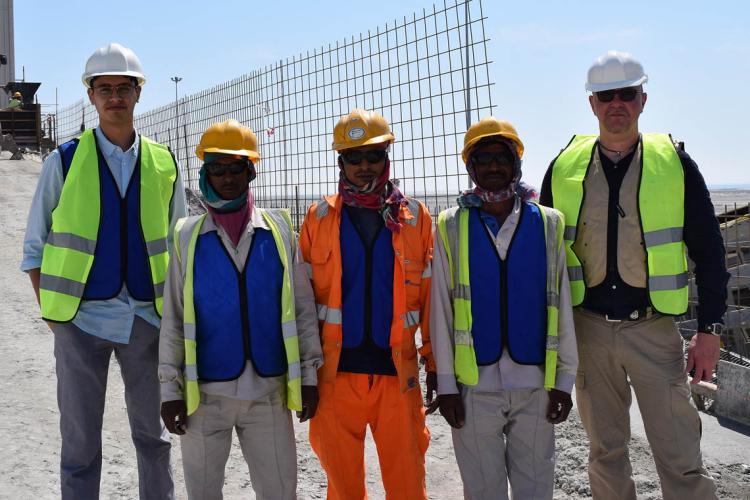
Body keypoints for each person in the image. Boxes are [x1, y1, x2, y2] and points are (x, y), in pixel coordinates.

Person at [540, 50, 728, 500]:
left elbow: (709, 249)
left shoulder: (675, 163)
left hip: (653, 329)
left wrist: (710, 331)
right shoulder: (565, 165)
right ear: (592, 104)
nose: (616, 104)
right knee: (605, 453)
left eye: (627, 93)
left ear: (643, 99)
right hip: (589, 332)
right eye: (606, 95)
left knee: (680, 455)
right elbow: (543, 255)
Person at [21, 42, 185, 499]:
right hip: (79, 322)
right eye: (105, 88)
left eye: (124, 88)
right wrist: (54, 314)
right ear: (91, 96)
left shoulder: (164, 163)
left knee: (153, 438)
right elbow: (34, 246)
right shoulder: (65, 160)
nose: (115, 97)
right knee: (80, 446)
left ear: (138, 94)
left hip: (144, 321)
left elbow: (177, 244)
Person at [159, 119, 323, 499]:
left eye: (237, 168)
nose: (228, 177)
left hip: (268, 394)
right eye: (218, 168)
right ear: (205, 172)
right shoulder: (186, 235)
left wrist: (310, 377)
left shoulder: (280, 229)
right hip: (205, 398)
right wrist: (170, 390)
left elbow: (301, 308)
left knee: (280, 492)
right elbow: (174, 317)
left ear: (251, 171)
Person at [429, 117, 578, 500]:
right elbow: (441, 312)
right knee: (482, 490)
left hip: (535, 385)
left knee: (535, 487)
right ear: (470, 167)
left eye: (502, 158)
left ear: (516, 165)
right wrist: (446, 385)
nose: (493, 166)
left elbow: (559, 302)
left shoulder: (548, 224)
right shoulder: (450, 225)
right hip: (473, 387)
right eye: (483, 159)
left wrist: (563, 382)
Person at [300, 109, 434, 499]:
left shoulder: (415, 219)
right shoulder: (319, 218)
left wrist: (437, 367)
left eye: (372, 155)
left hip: (398, 376)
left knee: (408, 485)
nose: (364, 166)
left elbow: (430, 304)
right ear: (340, 161)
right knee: (343, 489)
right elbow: (303, 306)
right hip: (336, 377)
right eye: (353, 157)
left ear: (386, 156)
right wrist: (306, 376)